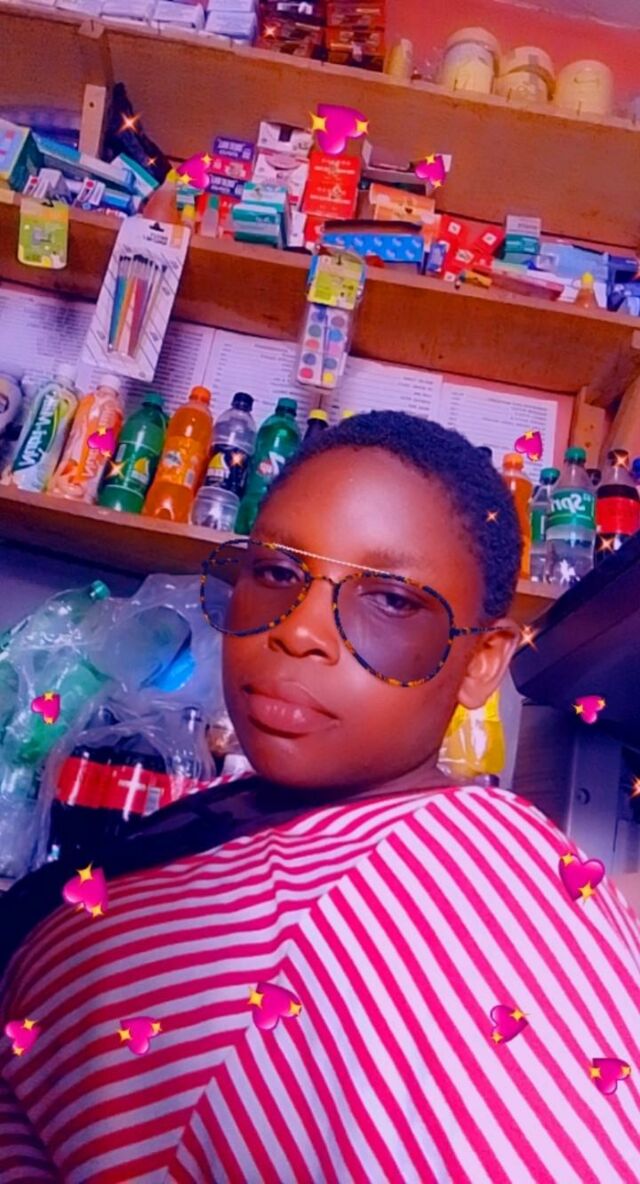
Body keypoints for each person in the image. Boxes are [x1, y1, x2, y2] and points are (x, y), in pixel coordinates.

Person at [1, 411, 639, 1184]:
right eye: (276, 572)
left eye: (392, 599)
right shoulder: (257, 807)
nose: (300, 631)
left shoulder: (469, 871)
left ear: (482, 661)